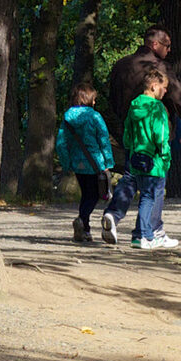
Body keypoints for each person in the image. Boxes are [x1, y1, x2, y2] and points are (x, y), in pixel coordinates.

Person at [100, 67, 179, 250]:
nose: (165, 91)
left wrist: (131, 149)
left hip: (136, 157)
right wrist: (165, 156)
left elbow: (127, 133)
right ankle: (146, 235)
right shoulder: (157, 107)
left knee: (144, 194)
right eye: (163, 87)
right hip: (155, 160)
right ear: (153, 86)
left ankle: (140, 236)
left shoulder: (134, 105)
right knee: (149, 197)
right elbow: (160, 135)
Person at [55, 82, 114, 243]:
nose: (95, 102)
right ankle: (81, 220)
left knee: (86, 195)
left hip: (78, 164)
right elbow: (103, 140)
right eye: (93, 99)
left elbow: (61, 143)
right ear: (87, 99)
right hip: (95, 163)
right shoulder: (95, 116)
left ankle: (85, 229)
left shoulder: (67, 118)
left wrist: (67, 164)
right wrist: (108, 161)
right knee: (94, 196)